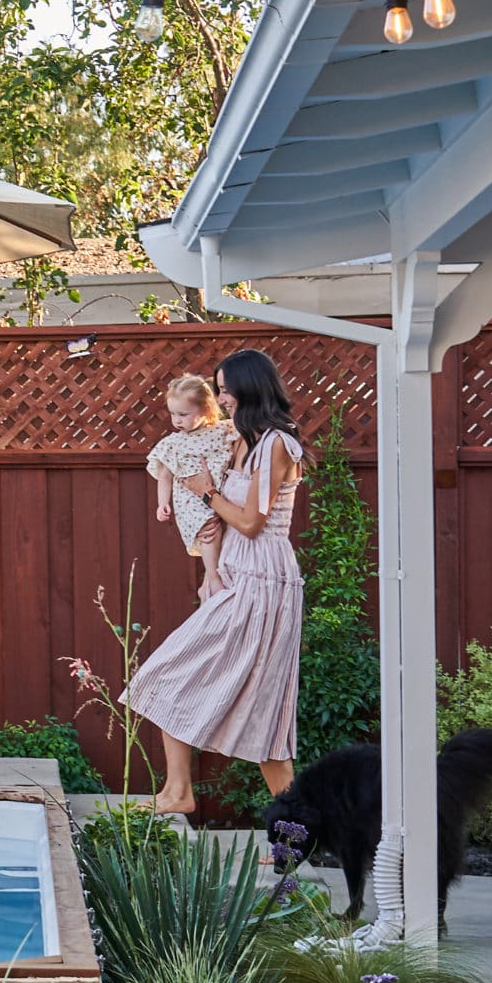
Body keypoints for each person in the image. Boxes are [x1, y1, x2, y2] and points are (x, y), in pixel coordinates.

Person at [122, 349, 306, 816]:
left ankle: (292, 834)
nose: (220, 398)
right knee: (168, 677)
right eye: (219, 389)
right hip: (235, 575)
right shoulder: (241, 442)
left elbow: (250, 522)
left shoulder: (277, 444)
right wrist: (212, 572)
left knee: (265, 710)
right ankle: (177, 792)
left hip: (264, 582)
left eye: (226, 389)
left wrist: (206, 489)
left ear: (249, 389)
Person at [145, 373, 238, 600]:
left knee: (224, 533)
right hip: (191, 501)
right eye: (173, 414)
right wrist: (162, 504)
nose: (177, 420)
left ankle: (210, 581)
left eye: (183, 414)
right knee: (209, 530)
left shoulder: (221, 431)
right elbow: (165, 475)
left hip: (220, 495)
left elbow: (243, 431)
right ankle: (214, 580)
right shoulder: (173, 443)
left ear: (205, 411)